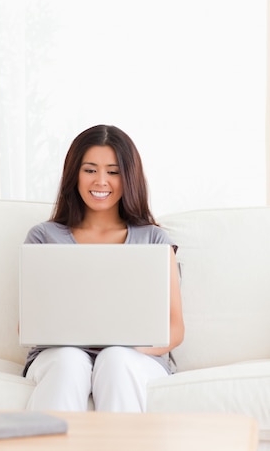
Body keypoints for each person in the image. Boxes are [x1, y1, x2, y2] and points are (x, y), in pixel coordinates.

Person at [22, 124, 184, 412]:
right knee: (69, 363)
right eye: (90, 170)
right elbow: (29, 325)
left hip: (135, 357)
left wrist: (125, 347)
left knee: (116, 360)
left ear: (128, 177)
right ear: (74, 174)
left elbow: (174, 328)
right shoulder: (43, 237)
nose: (101, 181)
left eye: (113, 171)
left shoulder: (153, 239)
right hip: (59, 354)